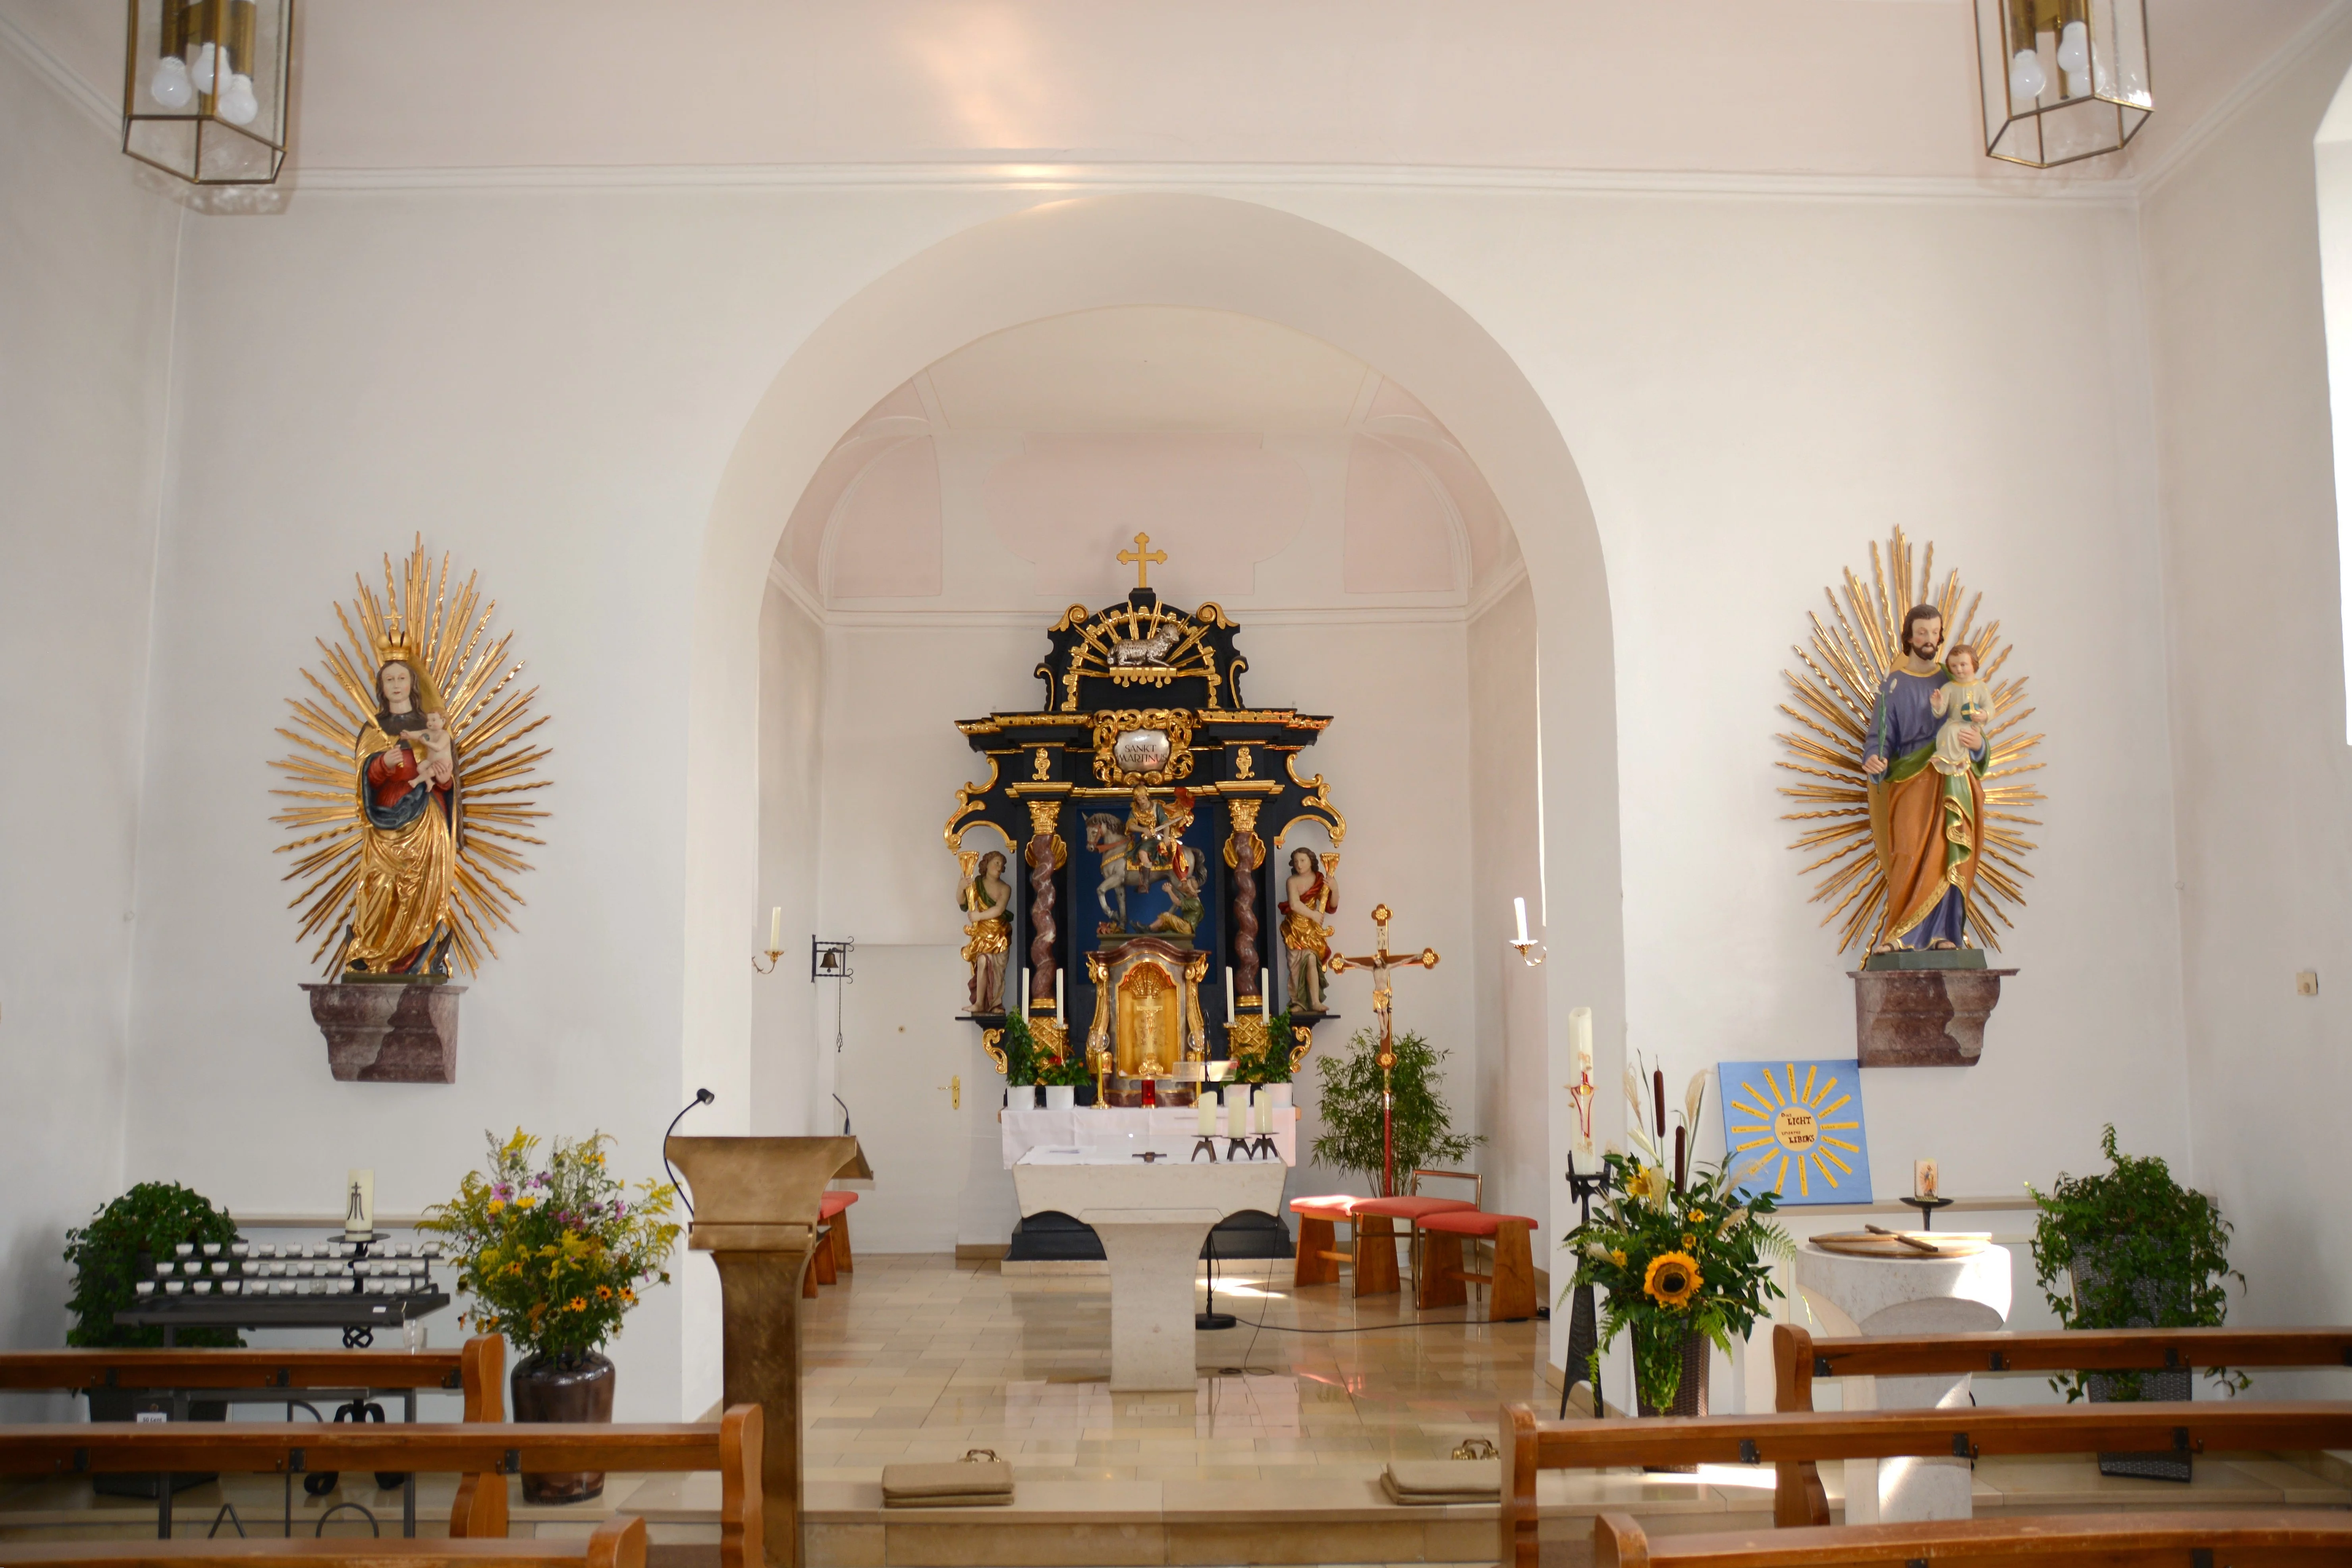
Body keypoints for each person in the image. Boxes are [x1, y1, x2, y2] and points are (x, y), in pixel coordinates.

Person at [1859, 606, 1985, 954]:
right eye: (1922, 633)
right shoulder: (1894, 686)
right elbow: (1880, 735)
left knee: (1950, 852)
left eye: (1935, 632)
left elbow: (1974, 728)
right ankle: (1899, 932)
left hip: (1952, 779)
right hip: (1911, 779)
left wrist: (1979, 746)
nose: (1930, 640)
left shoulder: (1952, 679)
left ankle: (1947, 933)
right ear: (1909, 637)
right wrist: (1873, 757)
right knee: (1908, 852)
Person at [345, 655, 461, 975]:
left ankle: (417, 960)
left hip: (425, 821)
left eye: (401, 679)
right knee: (378, 885)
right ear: (382, 688)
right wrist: (382, 763)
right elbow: (363, 781)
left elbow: (448, 780)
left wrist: (443, 776)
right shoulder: (373, 730)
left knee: (421, 891)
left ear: (412, 684)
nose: (396, 685)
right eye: (389, 680)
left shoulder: (431, 726)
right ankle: (370, 953)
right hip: (385, 824)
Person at [1279, 847, 1337, 1011]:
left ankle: (1315, 1001)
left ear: (1311, 861)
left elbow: (1331, 906)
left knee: (1312, 959)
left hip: (1311, 931)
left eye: (1303, 860)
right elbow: (1294, 904)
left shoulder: (1319, 880)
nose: (1299, 865)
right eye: (1296, 861)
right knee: (1295, 966)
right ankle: (1298, 1001)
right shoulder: (1292, 881)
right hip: (1295, 929)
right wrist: (1313, 914)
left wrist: (1335, 888)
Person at [1928, 642, 1994, 779]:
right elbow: (1941, 712)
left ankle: (1960, 760)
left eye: (1963, 665)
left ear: (1973, 664)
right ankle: (1948, 759)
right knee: (1947, 731)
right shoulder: (1949, 687)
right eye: (1954, 666)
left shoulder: (1981, 687)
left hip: (1971, 725)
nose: (1959, 669)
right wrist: (1938, 705)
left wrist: (1984, 714)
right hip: (1954, 722)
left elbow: (1989, 707)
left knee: (1955, 732)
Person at [959, 850, 1011, 1013]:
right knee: (982, 962)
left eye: (1001, 865)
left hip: (1000, 935)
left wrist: (979, 916)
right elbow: (964, 903)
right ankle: (980, 1003)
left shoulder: (1005, 888)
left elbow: (999, 909)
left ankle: (996, 1003)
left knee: (997, 970)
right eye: (996, 862)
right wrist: (961, 888)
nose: (999, 866)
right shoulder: (978, 885)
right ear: (986, 864)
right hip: (982, 935)